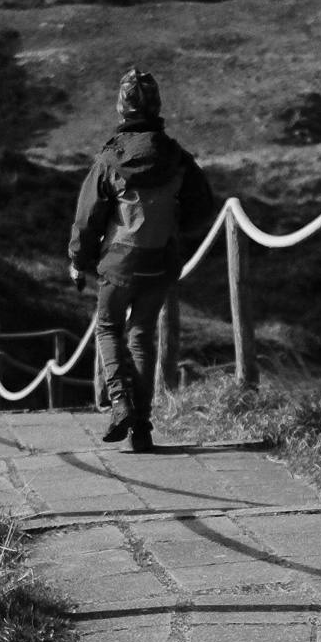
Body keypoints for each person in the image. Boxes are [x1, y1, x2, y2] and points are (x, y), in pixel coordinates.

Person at [68, 67, 217, 453]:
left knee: (108, 329)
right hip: (161, 261)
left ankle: (120, 404)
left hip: (118, 264)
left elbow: (87, 220)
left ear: (121, 108)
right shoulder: (177, 158)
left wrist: (78, 260)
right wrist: (176, 229)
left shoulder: (110, 159)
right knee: (141, 336)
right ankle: (143, 427)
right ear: (157, 106)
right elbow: (202, 207)